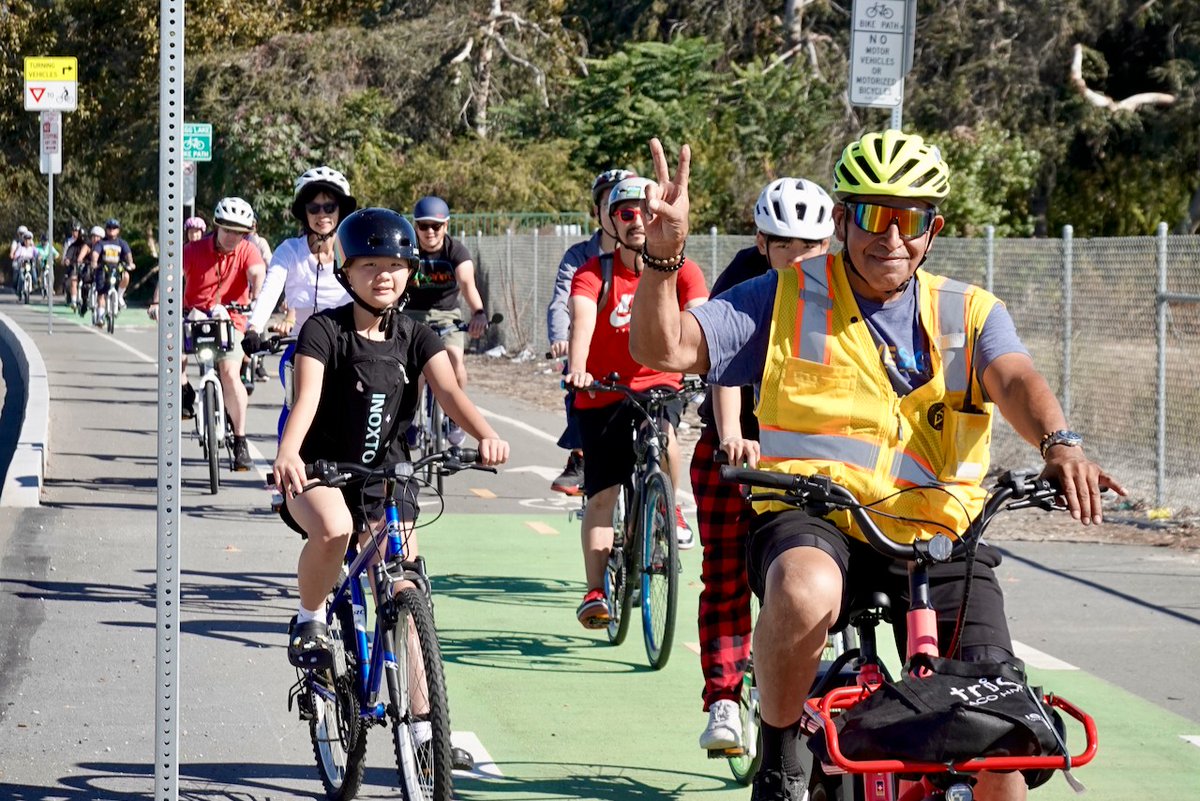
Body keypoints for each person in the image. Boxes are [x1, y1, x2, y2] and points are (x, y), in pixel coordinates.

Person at [628, 132, 1126, 801]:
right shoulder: (783, 296)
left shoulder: (968, 311)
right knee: (804, 591)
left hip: (938, 534)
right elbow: (667, 344)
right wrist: (662, 257)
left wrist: (1060, 443)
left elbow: (1015, 379)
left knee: (997, 740)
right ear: (842, 220)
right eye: (872, 215)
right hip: (814, 516)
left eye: (911, 218)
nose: (891, 235)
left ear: (934, 229)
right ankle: (779, 759)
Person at [272, 207, 509, 666]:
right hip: (320, 472)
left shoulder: (416, 336)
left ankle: (423, 729)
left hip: (387, 478)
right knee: (337, 529)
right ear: (347, 272)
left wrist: (485, 434)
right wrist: (288, 454)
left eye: (395, 267)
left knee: (407, 590)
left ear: (410, 272)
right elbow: (306, 400)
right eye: (370, 266)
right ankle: (310, 616)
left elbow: (450, 392)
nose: (384, 276)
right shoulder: (324, 331)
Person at [692, 178, 834, 752]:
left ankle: (824, 697)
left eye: (812, 247)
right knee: (724, 573)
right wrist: (732, 438)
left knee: (826, 577)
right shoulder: (743, 279)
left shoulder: (847, 287)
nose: (800, 258)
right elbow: (725, 367)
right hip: (740, 446)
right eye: (786, 246)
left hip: (807, 451)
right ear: (762, 242)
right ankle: (724, 699)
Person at [565, 175, 708, 629]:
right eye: (626, 213)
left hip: (659, 384)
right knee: (603, 492)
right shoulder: (595, 272)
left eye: (645, 212)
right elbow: (581, 323)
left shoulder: (681, 269)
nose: (637, 221)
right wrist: (577, 367)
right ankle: (594, 589)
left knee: (663, 439)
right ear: (612, 221)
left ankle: (671, 506)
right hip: (602, 389)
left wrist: (703, 363)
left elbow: (701, 317)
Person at [152, 197, 265, 469]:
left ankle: (239, 440)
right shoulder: (192, 250)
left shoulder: (248, 250)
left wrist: (256, 297)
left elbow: (257, 272)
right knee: (173, 358)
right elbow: (169, 276)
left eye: (239, 232)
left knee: (229, 372)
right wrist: (158, 302)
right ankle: (187, 392)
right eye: (227, 230)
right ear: (217, 226)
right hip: (194, 316)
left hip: (232, 319)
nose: (232, 237)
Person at [545, 168, 636, 496]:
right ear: (599, 212)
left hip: (638, 351)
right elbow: (561, 301)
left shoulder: (654, 253)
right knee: (577, 376)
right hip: (592, 349)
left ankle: (665, 501)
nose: (624, 215)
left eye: (629, 204)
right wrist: (559, 338)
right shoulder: (580, 257)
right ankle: (581, 455)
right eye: (610, 204)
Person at [403, 196, 488, 446]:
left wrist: (479, 313)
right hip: (412, 315)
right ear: (415, 226)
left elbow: (467, 284)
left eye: (436, 226)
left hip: (447, 316)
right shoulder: (408, 250)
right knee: (415, 370)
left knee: (454, 360)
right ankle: (410, 422)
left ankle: (454, 418)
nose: (430, 232)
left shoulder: (456, 251)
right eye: (423, 226)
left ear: (446, 226)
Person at [89, 218, 135, 318]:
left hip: (117, 269)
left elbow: (128, 255)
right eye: (109, 227)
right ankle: (100, 316)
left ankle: (119, 296)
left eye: (114, 228)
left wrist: (130, 263)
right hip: (103, 269)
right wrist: (94, 262)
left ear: (118, 230)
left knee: (126, 276)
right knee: (101, 293)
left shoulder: (122, 243)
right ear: (106, 229)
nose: (111, 230)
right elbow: (95, 254)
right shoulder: (101, 243)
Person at [62, 223, 92, 309]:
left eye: (83, 236)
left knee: (91, 281)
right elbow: (68, 254)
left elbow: (95, 254)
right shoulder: (73, 245)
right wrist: (67, 259)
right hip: (75, 266)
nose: (82, 238)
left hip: (88, 267)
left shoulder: (90, 245)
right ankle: (74, 301)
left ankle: (90, 299)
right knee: (73, 280)